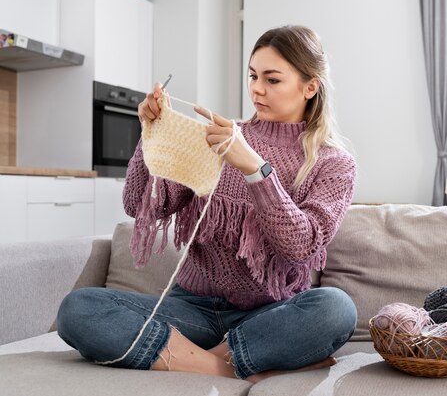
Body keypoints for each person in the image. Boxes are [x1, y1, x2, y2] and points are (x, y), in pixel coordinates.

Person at [56, 25, 357, 382]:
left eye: (272, 80)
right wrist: (150, 134)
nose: (257, 89)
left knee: (336, 309)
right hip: (191, 309)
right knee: (78, 309)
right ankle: (226, 366)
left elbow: (300, 245)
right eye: (253, 76)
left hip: (270, 314)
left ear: (310, 87)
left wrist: (255, 169)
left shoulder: (334, 164)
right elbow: (138, 204)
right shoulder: (216, 138)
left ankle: (191, 357)